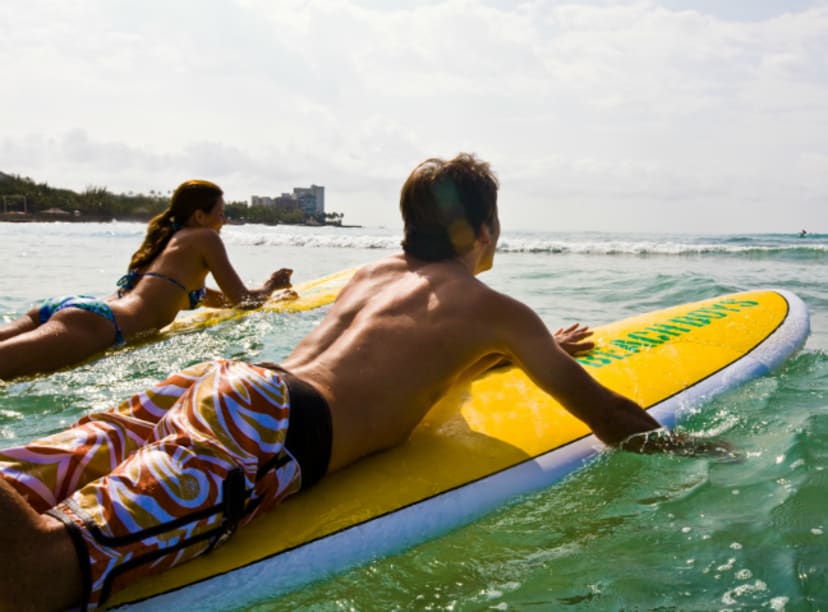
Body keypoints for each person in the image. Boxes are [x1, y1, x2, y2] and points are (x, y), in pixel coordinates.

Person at [0, 154, 700, 610]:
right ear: (482, 230)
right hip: (265, 428)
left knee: (24, 480)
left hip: (224, 385)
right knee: (39, 570)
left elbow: (399, 359)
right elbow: (606, 414)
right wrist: (696, 450)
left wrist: (518, 350)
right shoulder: (497, 311)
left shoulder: (371, 276)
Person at [0, 180, 294, 380]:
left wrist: (265, 292)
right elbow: (241, 301)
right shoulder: (205, 238)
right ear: (200, 216)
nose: (225, 221)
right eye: (221, 214)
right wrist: (271, 286)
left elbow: (218, 300)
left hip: (77, 310)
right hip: (102, 325)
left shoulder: (164, 246)